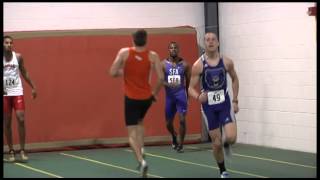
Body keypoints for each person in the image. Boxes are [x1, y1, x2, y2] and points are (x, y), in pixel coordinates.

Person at [109, 29, 164, 178]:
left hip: (131, 98)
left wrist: (124, 72)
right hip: (146, 98)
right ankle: (143, 148)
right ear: (146, 40)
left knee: (131, 133)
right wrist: (154, 93)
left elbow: (112, 72)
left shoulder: (124, 53)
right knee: (140, 121)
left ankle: (141, 161)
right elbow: (161, 78)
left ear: (132, 39)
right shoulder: (153, 56)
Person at [188, 32, 239, 178]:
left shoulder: (227, 62)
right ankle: (223, 170)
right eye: (207, 40)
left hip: (224, 104)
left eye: (213, 40)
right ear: (204, 43)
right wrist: (198, 96)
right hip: (209, 107)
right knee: (216, 143)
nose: (210, 42)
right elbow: (190, 88)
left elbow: (235, 79)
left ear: (217, 43)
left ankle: (227, 144)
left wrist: (235, 100)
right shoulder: (198, 65)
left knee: (231, 137)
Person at [3, 35, 37, 162]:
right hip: (5, 94)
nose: (9, 45)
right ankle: (11, 151)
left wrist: (33, 86)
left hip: (17, 91)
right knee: (7, 123)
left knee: (21, 119)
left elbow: (24, 72)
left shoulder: (17, 57)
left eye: (11, 43)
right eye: (6, 43)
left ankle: (22, 150)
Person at [161, 42, 191, 153]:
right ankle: (174, 135)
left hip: (181, 95)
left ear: (178, 50)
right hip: (170, 97)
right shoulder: (163, 64)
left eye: (175, 48)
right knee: (168, 124)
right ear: (168, 50)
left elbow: (188, 82)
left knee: (182, 120)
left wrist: (187, 95)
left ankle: (181, 144)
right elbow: (161, 80)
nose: (173, 50)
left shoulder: (185, 65)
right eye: (171, 48)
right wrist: (168, 84)